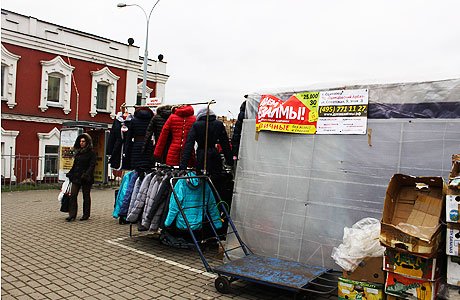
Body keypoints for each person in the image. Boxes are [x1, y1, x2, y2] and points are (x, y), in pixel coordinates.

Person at [179, 107, 233, 175]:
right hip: (215, 155)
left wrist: (183, 164)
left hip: (202, 155)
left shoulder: (196, 125)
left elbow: (189, 145)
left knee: (202, 180)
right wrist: (230, 161)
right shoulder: (219, 124)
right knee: (216, 179)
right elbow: (225, 144)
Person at [65, 133, 96, 222]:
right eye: (80, 141)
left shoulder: (91, 153)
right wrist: (70, 173)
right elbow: (75, 165)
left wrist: (86, 174)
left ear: (87, 142)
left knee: (86, 196)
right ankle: (72, 215)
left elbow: (92, 165)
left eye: (83, 141)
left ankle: (86, 214)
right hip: (76, 177)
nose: (81, 143)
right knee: (73, 195)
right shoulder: (78, 152)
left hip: (86, 178)